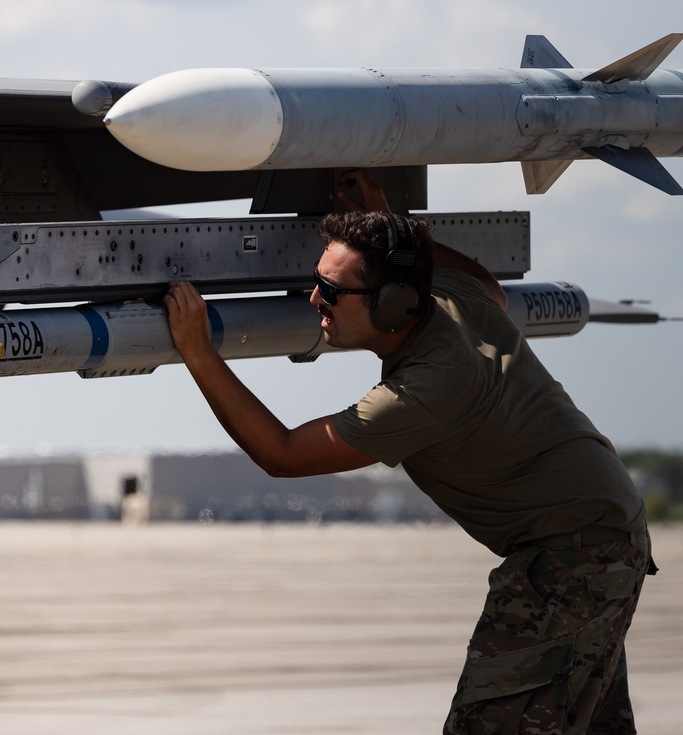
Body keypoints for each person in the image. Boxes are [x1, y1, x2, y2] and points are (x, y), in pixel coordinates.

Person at [164, 169, 656, 735]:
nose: (314, 298)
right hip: (603, 536)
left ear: (395, 302)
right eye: (317, 281)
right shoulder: (450, 296)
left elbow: (283, 454)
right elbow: (487, 285)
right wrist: (398, 227)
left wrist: (199, 353)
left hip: (571, 559)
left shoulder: (424, 389)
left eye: (334, 290)